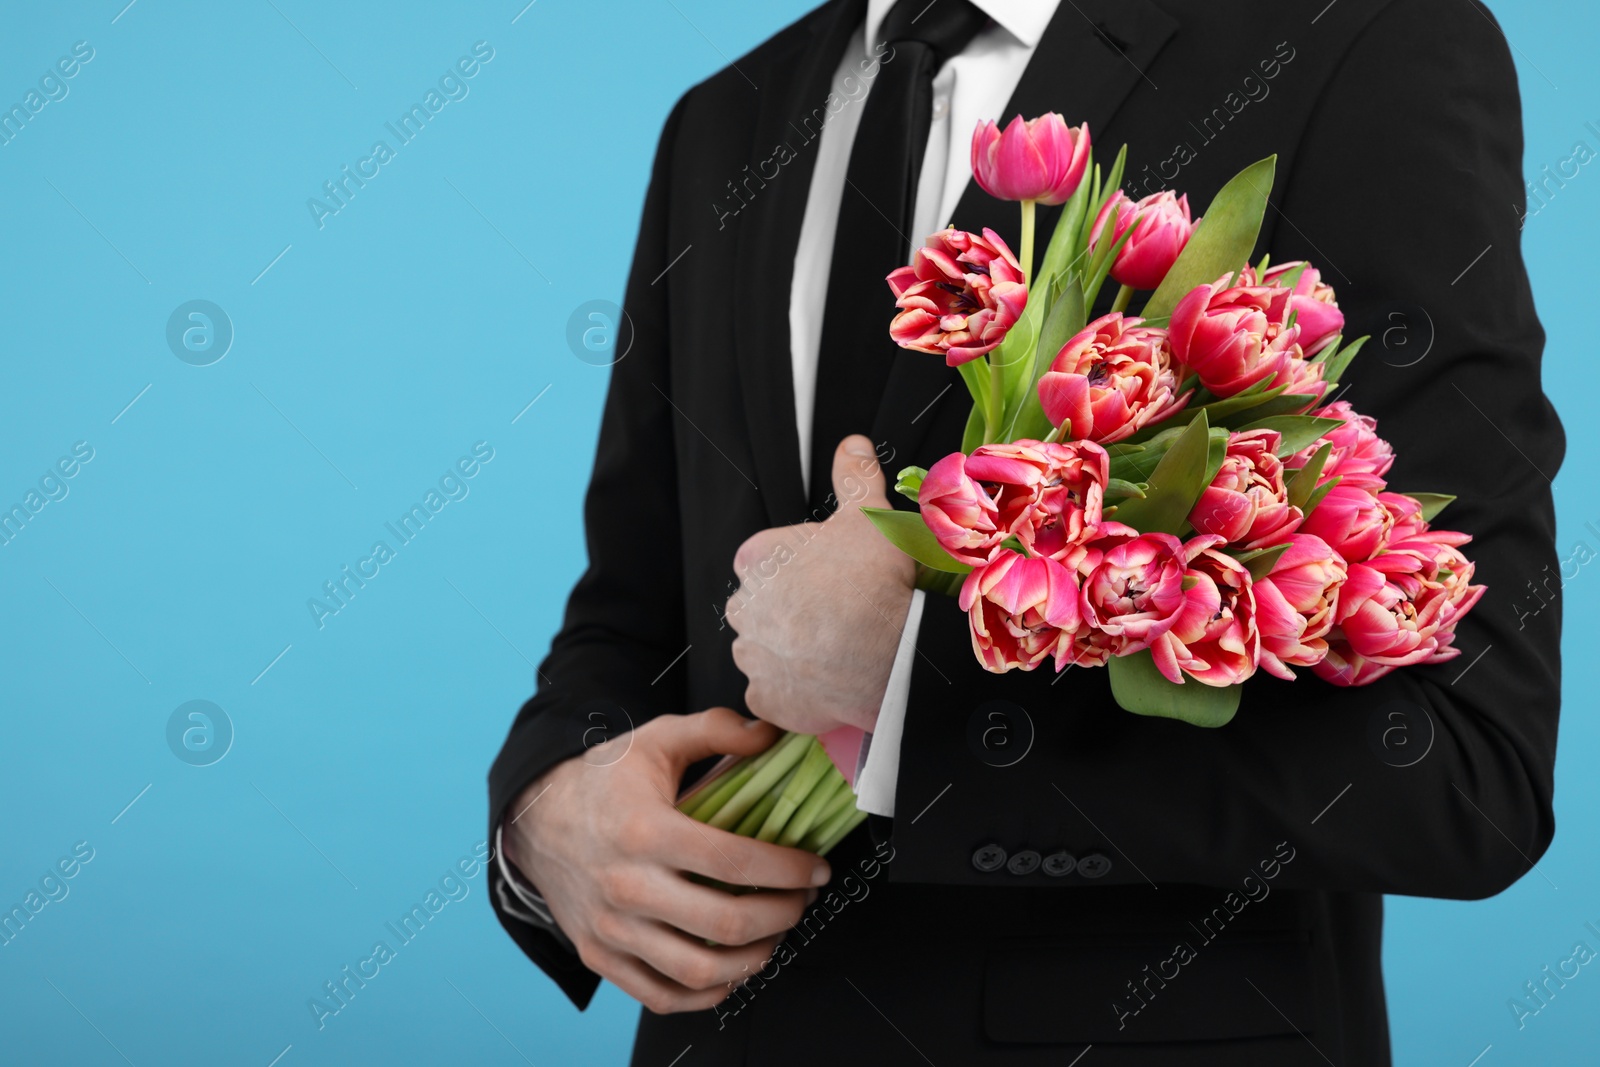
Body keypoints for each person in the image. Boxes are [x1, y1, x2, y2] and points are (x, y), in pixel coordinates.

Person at [489, 1, 1564, 1063]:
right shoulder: (724, 118)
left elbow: (1467, 764)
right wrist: (548, 819)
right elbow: (629, 606)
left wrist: (916, 690)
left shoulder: (1368, 42)